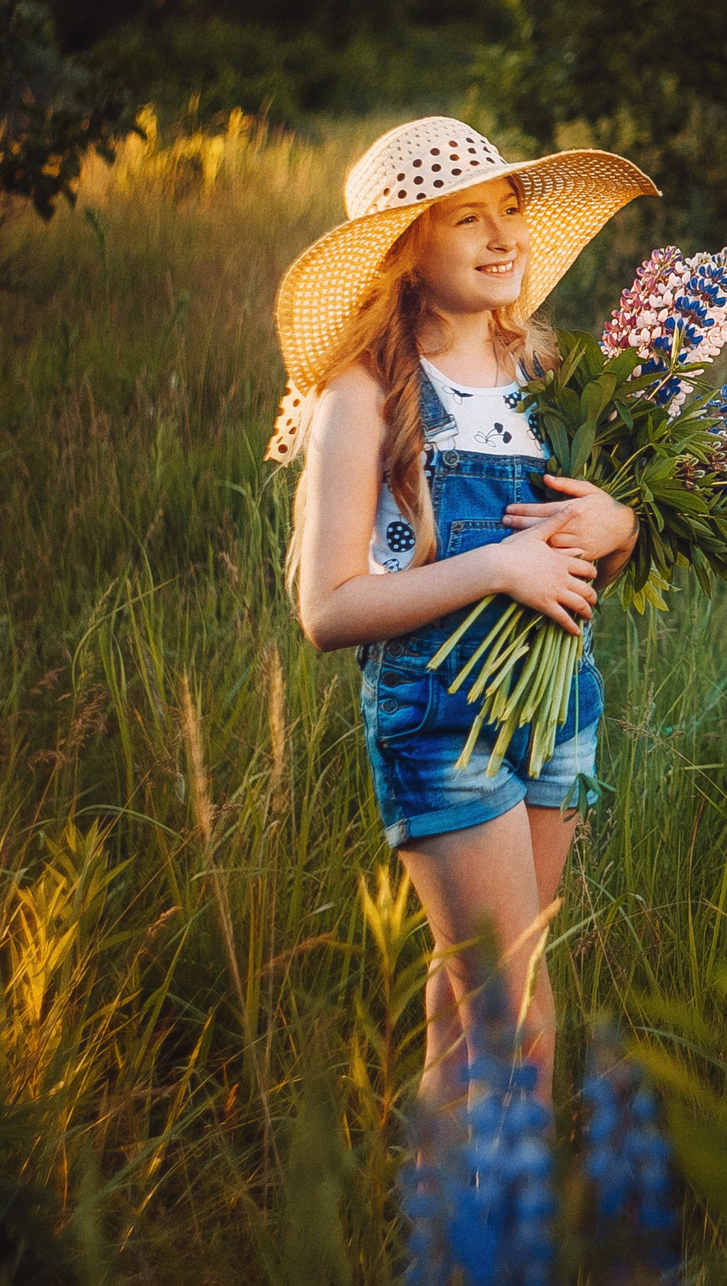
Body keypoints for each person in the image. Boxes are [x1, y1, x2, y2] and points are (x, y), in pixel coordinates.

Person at [269, 117, 657, 1099]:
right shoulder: (365, 393)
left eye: (511, 211)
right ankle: (503, 1247)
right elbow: (327, 608)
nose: (503, 238)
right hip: (442, 719)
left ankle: (445, 1240)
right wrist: (496, 570)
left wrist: (617, 531)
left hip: (558, 703)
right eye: (465, 220)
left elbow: (565, 563)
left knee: (466, 1008)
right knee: (519, 1024)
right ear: (406, 252)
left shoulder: (546, 375)